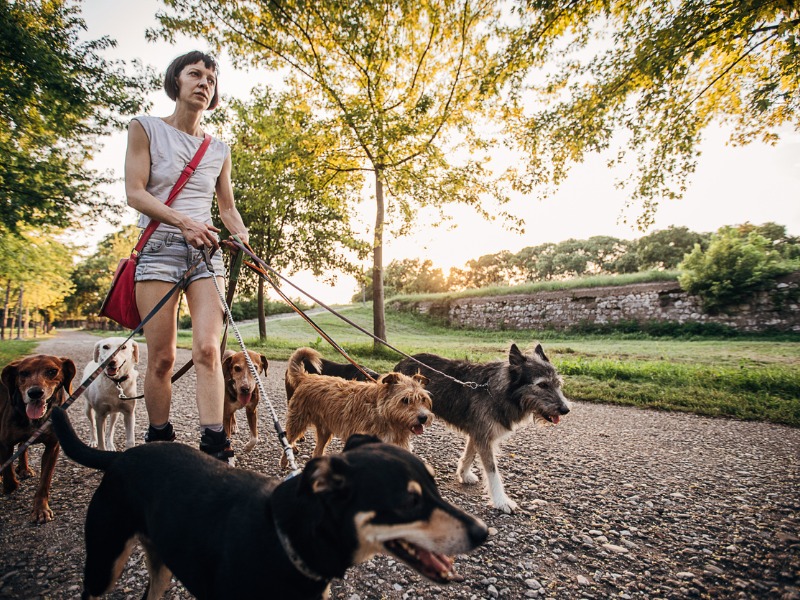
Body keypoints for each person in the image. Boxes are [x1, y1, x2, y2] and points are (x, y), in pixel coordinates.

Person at [125, 50, 249, 462]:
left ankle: (215, 445)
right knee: (162, 358)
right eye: (195, 74)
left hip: (206, 254)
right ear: (175, 81)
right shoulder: (144, 128)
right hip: (158, 249)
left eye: (211, 80)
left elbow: (227, 207)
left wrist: (242, 236)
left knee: (209, 350)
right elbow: (135, 193)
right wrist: (183, 223)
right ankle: (159, 443)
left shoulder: (219, 149)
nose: (204, 83)